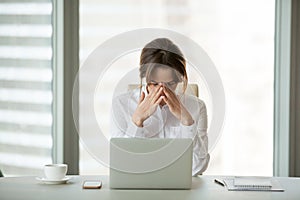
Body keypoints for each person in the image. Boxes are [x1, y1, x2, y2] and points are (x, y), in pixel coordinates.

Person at [110, 38, 209, 176]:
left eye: (170, 84)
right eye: (154, 83)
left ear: (179, 79)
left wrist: (187, 122)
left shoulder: (197, 107)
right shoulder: (120, 104)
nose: (162, 91)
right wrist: (137, 121)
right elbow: (123, 165)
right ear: (145, 77)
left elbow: (198, 168)